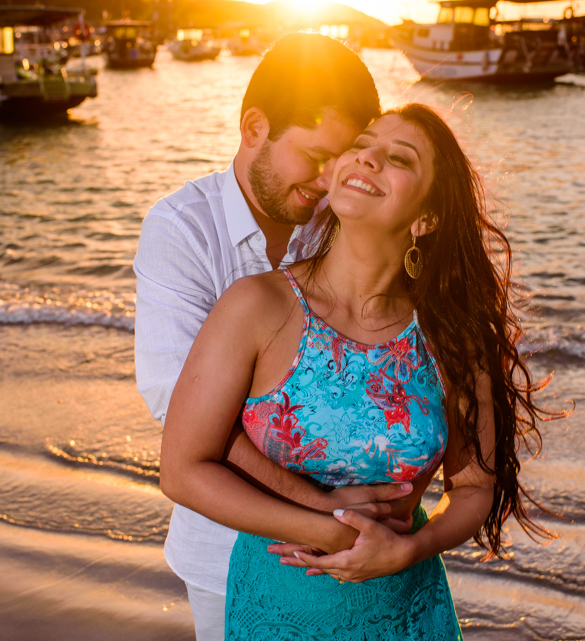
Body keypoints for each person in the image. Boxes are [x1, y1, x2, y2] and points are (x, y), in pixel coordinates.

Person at [160, 104, 556, 640]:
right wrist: (323, 527)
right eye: (364, 143)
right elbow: (183, 468)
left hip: (407, 611)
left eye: (397, 157)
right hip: (279, 611)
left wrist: (412, 548)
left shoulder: (454, 336)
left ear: (427, 217)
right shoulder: (257, 306)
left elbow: (471, 490)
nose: (367, 156)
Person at [134, 34, 416, 641]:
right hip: (224, 549)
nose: (326, 180)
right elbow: (173, 401)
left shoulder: (338, 219)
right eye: (315, 155)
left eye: (342, 158)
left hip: (362, 551)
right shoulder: (183, 228)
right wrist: (322, 508)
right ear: (254, 127)